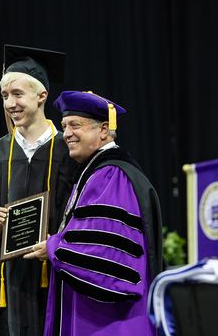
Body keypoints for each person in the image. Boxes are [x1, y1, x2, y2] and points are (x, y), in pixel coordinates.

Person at [24, 90, 163, 335]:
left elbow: (104, 254)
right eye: (64, 126)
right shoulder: (95, 172)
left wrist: (54, 246)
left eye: (75, 125)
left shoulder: (111, 175)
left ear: (103, 130)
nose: (66, 134)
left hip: (109, 321)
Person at [0, 44, 73, 336]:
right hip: (5, 284)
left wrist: (57, 244)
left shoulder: (68, 150)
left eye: (17, 94)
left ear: (42, 96)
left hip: (54, 276)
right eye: (5, 96)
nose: (10, 103)